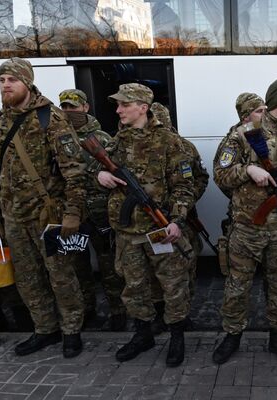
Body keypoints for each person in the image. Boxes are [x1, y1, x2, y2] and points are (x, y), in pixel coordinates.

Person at [0, 57, 87, 358]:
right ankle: (45, 329)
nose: (5, 85)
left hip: (48, 216)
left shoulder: (50, 118)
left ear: (26, 82)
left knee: (60, 275)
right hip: (13, 217)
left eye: (11, 80)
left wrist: (72, 212)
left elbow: (74, 171)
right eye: (1, 80)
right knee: (28, 278)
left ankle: (71, 330)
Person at [212, 79, 277, 365]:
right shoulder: (244, 135)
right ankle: (232, 335)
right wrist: (248, 170)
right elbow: (221, 175)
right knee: (237, 287)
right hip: (247, 229)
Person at [97, 83, 196, 367]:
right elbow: (96, 168)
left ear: (143, 107)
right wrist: (100, 176)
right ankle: (143, 335)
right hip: (127, 232)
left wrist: (176, 221)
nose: (118, 110)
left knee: (172, 286)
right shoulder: (117, 141)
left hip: (159, 230)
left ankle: (177, 337)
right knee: (134, 286)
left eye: (124, 105)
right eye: (117, 105)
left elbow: (183, 186)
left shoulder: (169, 141)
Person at [59, 89, 127, 331]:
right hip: (72, 214)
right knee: (77, 267)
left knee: (109, 267)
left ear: (85, 108)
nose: (69, 112)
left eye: (73, 108)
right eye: (64, 108)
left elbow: (117, 172)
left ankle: (118, 312)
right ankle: (86, 310)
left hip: (100, 214)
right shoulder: (56, 138)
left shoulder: (103, 139)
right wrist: (93, 174)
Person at [148, 101, 209, 333]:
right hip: (151, 222)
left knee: (186, 268)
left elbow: (200, 178)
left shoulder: (184, 147)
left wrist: (185, 202)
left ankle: (182, 314)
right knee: (156, 270)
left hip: (182, 221)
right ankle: (159, 312)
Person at [212, 93, 266, 274]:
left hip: (268, 218)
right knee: (239, 281)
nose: (264, 115)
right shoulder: (234, 140)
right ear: (245, 117)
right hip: (243, 219)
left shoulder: (263, 135)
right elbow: (221, 177)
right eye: (259, 111)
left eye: (265, 110)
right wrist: (246, 180)